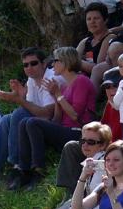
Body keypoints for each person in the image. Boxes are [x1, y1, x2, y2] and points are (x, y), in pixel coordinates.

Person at [12, 46, 96, 186]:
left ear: (66, 62)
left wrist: (57, 95)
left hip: (79, 132)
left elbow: (75, 116)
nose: (52, 65)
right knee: (24, 122)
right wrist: (55, 96)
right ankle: (24, 170)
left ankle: (38, 169)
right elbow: (57, 119)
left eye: (56, 61)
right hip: (65, 129)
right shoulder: (63, 86)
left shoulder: (81, 81)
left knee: (32, 122)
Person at [0, 48, 60, 183]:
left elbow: (48, 113)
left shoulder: (50, 78)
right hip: (35, 123)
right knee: (6, 119)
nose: (29, 68)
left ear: (43, 64)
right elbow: (30, 108)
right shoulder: (31, 80)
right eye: (25, 65)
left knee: (19, 113)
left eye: (33, 63)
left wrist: (20, 100)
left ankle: (18, 165)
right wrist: (20, 97)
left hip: (55, 125)